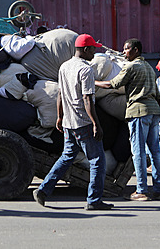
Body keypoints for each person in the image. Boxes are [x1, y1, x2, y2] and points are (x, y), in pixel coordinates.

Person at [32, 34, 114, 211]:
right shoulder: (86, 70)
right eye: (93, 49)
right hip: (83, 122)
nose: (94, 52)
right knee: (97, 160)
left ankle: (43, 190)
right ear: (85, 50)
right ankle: (94, 200)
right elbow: (87, 99)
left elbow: (60, 94)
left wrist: (60, 117)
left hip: (69, 122)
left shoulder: (65, 67)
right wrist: (95, 124)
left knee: (67, 156)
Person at [98, 38, 160, 201]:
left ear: (135, 50)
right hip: (153, 112)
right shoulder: (148, 67)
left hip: (139, 112)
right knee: (154, 152)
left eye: (126, 49)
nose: (123, 51)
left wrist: (93, 82)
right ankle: (159, 189)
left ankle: (141, 190)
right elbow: (157, 94)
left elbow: (113, 84)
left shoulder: (131, 66)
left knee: (138, 152)